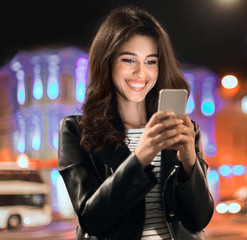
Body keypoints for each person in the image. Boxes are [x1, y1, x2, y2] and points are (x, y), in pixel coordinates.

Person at [58, 6, 214, 240]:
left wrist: (190, 162)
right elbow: (93, 220)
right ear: (107, 61)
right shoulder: (76, 131)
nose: (141, 73)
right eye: (129, 60)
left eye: (151, 61)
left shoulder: (183, 129)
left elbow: (199, 219)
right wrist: (142, 155)